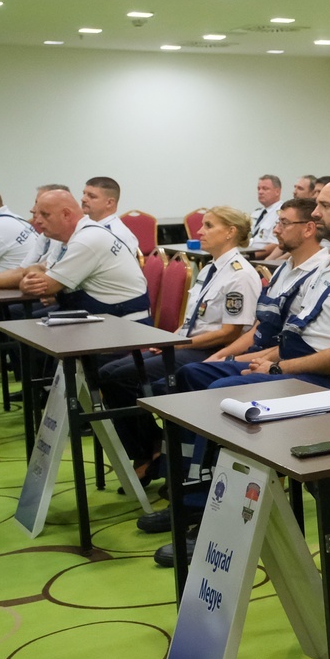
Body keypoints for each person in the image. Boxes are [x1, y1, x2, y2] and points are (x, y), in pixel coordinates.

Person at [160, 182, 330, 567]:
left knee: (222, 395)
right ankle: (192, 499)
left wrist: (279, 367)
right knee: (195, 378)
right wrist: (265, 359)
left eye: (324, 205)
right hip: (299, 369)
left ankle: (217, 521)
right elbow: (300, 333)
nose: (315, 213)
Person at [100, 206, 260, 504]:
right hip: (189, 343)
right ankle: (150, 448)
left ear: (230, 232)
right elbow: (191, 320)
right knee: (108, 373)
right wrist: (171, 339)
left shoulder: (240, 275)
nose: (199, 231)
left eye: (209, 226)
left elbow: (231, 333)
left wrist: (179, 344)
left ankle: (150, 452)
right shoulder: (210, 269)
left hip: (209, 350)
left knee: (124, 378)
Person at [182, 197, 328, 383]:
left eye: (284, 223)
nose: (276, 230)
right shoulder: (283, 269)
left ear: (308, 229)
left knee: (196, 376)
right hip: (257, 354)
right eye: (277, 223)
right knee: (189, 373)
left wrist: (231, 360)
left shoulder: (320, 275)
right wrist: (222, 357)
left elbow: (294, 345)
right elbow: (259, 328)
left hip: (282, 362)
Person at [19, 189, 148, 319]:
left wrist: (27, 280)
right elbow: (41, 270)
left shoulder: (87, 240)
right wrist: (31, 275)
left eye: (45, 215)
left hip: (123, 323)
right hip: (99, 316)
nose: (37, 221)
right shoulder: (70, 238)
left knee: (24, 320)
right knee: (25, 320)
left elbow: (46, 287)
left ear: (66, 214)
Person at [80, 176, 139, 252]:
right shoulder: (84, 224)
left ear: (109, 203)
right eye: (84, 194)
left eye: (92, 196)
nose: (83, 199)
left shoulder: (117, 235)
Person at [250, 174, 282, 247]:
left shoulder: (282, 213)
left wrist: (251, 254)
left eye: (265, 189)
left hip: (264, 254)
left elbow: (276, 244)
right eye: (259, 189)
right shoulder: (257, 213)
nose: (260, 192)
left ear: (277, 191)